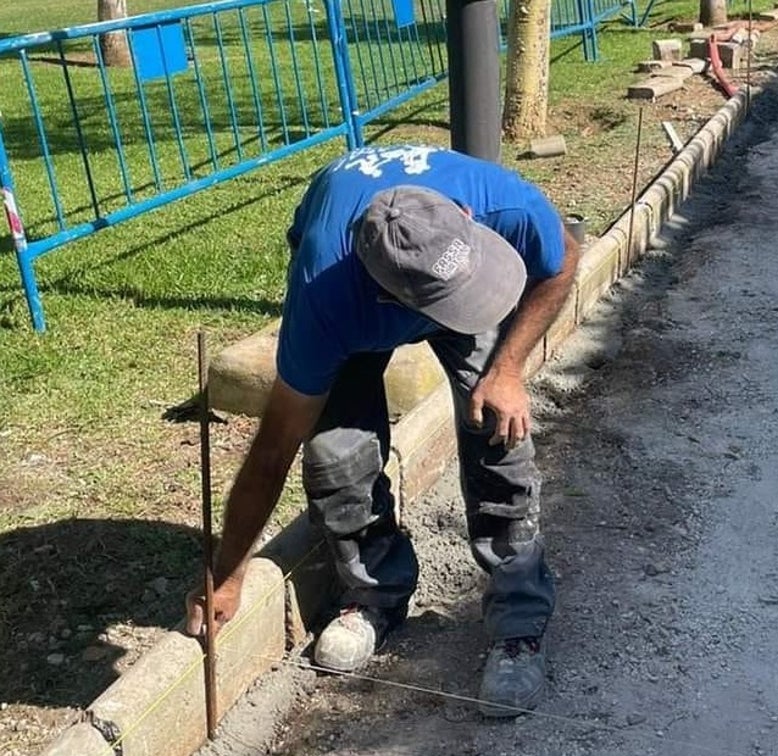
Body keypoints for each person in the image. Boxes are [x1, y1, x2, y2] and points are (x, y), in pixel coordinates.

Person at [185, 143, 579, 716]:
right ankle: (375, 595)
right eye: (445, 304)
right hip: (350, 282)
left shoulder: (504, 208)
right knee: (335, 455)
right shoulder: (325, 301)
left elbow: (564, 253)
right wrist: (227, 572)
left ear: (465, 218)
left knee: (498, 424)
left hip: (436, 257)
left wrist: (509, 367)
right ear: (391, 301)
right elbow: (272, 454)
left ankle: (519, 619)